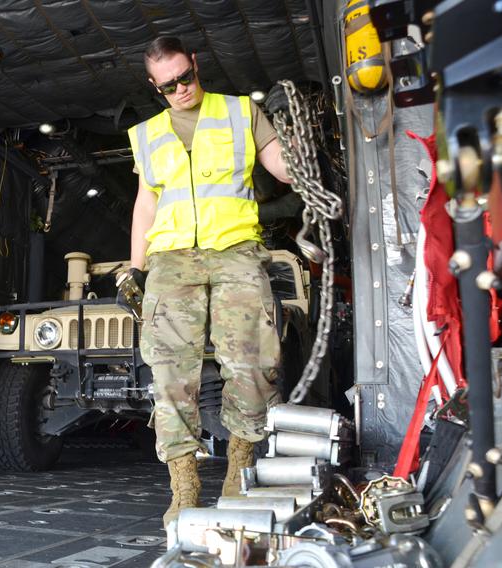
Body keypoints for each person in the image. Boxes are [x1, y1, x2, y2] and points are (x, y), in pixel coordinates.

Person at [122, 36, 292, 529]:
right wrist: (134, 266)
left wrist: (297, 150)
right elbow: (146, 204)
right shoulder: (147, 134)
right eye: (167, 85)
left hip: (236, 252)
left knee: (255, 363)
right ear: (154, 86)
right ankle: (184, 489)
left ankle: (239, 472)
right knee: (170, 374)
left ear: (196, 65)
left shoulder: (240, 113)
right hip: (172, 260)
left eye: (185, 77)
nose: (180, 89)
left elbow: (278, 165)